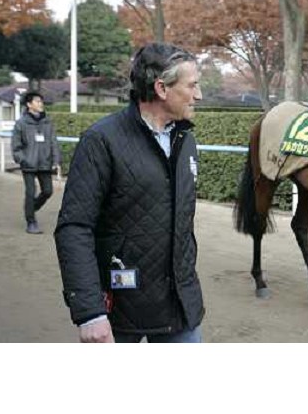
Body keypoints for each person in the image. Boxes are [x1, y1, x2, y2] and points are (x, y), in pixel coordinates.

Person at [54, 43, 204, 343]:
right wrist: (90, 312)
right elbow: (74, 227)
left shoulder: (185, 140)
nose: (198, 95)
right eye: (192, 85)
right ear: (162, 88)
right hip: (118, 311)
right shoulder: (101, 140)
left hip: (179, 308)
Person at [11, 91, 61, 234]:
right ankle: (31, 222)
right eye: (37, 101)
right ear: (29, 104)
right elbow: (16, 146)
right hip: (29, 165)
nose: (41, 104)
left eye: (41, 101)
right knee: (30, 192)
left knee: (47, 191)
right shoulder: (21, 123)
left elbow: (53, 142)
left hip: (45, 163)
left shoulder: (47, 122)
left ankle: (31, 208)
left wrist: (56, 160)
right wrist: (23, 159)